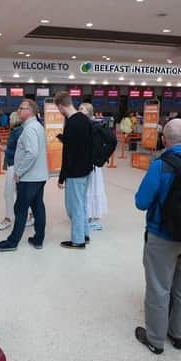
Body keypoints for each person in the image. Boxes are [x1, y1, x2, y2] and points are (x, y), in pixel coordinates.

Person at [134, 118, 181, 355]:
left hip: (162, 235)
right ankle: (178, 334)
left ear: (164, 140)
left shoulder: (160, 165)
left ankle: (155, 339)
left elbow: (141, 202)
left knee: (159, 287)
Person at [0, 99, 48, 251]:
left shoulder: (30, 129)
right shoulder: (37, 126)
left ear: (30, 111)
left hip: (30, 177)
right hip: (39, 175)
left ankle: (12, 242)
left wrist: (19, 171)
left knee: (20, 208)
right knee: (38, 207)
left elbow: (32, 153)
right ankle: (38, 239)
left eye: (21, 108)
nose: (18, 110)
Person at [54, 92, 93, 249]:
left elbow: (68, 154)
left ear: (61, 106)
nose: (59, 112)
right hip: (86, 169)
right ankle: (84, 233)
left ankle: (78, 241)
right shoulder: (85, 120)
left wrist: (62, 177)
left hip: (75, 172)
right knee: (82, 204)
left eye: (59, 109)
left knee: (74, 207)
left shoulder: (71, 123)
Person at [0, 112, 34, 231]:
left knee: (9, 193)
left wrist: (2, 148)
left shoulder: (17, 131)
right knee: (21, 192)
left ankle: (9, 218)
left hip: (15, 166)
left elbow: (20, 150)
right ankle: (29, 215)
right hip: (19, 165)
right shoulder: (22, 129)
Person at [79, 103, 108, 231]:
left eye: (82, 109)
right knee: (84, 189)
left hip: (92, 164)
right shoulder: (81, 125)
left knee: (91, 188)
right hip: (84, 162)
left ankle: (89, 216)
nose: (79, 110)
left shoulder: (95, 126)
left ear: (89, 111)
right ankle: (84, 215)